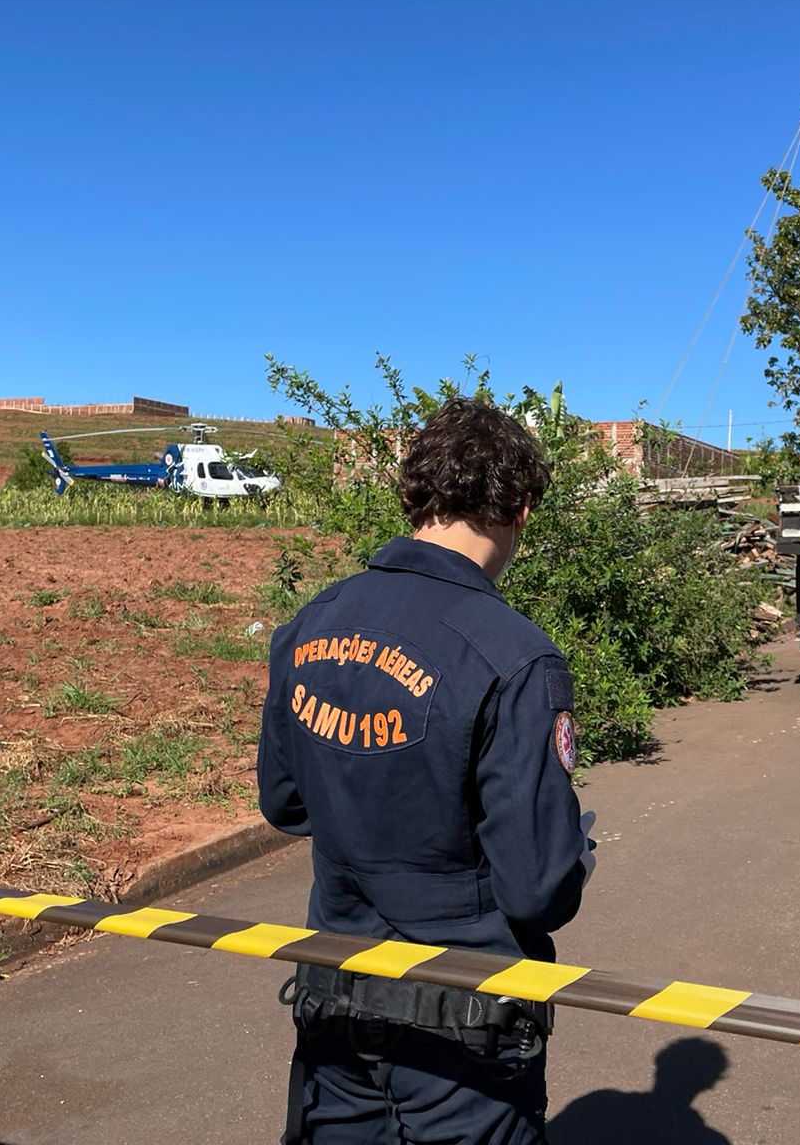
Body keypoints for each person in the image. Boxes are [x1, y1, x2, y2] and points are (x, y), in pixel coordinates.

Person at [258, 397, 596, 1145]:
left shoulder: (312, 623)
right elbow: (539, 890)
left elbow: (284, 804)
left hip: (335, 1000)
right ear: (523, 511)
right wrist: (573, 847)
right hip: (464, 1032)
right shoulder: (513, 653)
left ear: (416, 495)